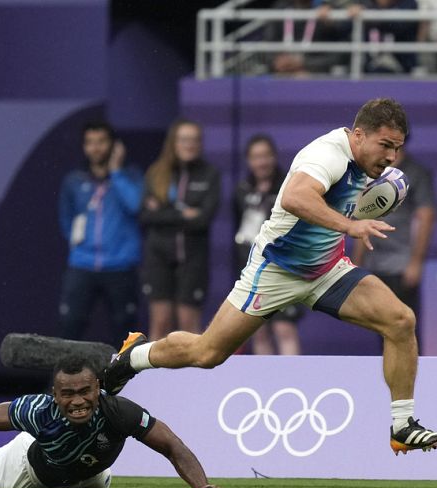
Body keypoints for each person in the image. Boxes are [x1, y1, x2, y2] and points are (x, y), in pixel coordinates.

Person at [107, 98, 437, 455]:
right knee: (207, 352)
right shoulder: (326, 154)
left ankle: (402, 425)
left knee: (400, 321)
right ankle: (136, 355)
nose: (393, 156)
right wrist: (351, 224)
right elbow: (295, 198)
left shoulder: (372, 164)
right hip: (276, 270)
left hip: (327, 269)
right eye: (386, 145)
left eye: (398, 147)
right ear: (359, 135)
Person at [0, 356, 221, 488]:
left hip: (90, 475)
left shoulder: (120, 412)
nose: (78, 401)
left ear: (98, 389)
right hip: (34, 468)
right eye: (68, 394)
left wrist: (200, 487)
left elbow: (172, 445)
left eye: (85, 391)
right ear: (55, 394)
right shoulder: (38, 410)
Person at [57, 121, 143, 345]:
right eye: (90, 143)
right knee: (69, 327)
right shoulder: (75, 180)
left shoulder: (131, 176)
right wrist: (80, 247)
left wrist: (116, 173)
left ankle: (126, 382)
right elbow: (66, 218)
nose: (96, 148)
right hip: (82, 265)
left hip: (120, 266)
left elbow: (136, 206)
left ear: (114, 145)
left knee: (125, 334)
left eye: (101, 142)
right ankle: (61, 381)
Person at [140, 119, 221, 340]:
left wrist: (164, 211)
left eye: (195, 140)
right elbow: (146, 215)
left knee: (188, 325)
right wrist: (181, 213)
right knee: (160, 321)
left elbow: (203, 219)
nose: (190, 145)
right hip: (158, 256)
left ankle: (191, 376)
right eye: (184, 139)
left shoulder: (209, 174)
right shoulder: (157, 173)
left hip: (193, 258)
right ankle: (154, 375)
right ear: (173, 143)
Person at [350, 144, 436, 335]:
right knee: (383, 326)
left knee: (403, 325)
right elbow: (362, 219)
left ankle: (407, 365)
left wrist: (415, 262)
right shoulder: (371, 171)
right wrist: (356, 263)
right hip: (374, 262)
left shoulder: (416, 173)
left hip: (401, 264)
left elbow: (425, 217)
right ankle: (389, 365)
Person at [233, 134, 303, 355]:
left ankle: (291, 383)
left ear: (273, 157)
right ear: (248, 161)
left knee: (284, 329)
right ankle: (266, 387)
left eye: (265, 156)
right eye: (256, 157)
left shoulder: (288, 187)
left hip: (282, 267)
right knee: (258, 331)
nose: (261, 162)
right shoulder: (242, 189)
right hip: (252, 270)